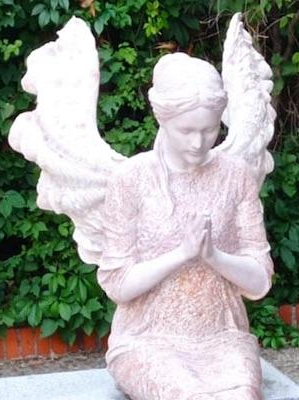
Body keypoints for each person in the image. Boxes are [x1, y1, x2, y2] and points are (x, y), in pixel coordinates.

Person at [95, 52, 274, 399]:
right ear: (162, 119)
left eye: (209, 129)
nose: (198, 142)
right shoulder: (131, 179)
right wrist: (182, 254)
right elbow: (117, 284)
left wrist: (213, 256)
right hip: (147, 339)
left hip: (222, 336)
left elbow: (259, 282)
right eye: (187, 130)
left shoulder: (235, 175)